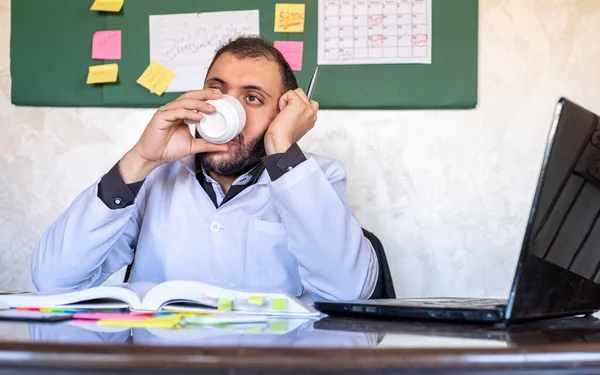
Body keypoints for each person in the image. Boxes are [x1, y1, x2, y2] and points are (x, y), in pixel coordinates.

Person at [31, 36, 378, 302]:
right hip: (162, 363)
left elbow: (349, 289)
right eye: (217, 90)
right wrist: (141, 158)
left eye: (252, 98)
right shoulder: (154, 176)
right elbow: (54, 280)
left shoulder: (312, 177)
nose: (226, 109)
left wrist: (284, 150)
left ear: (282, 112)